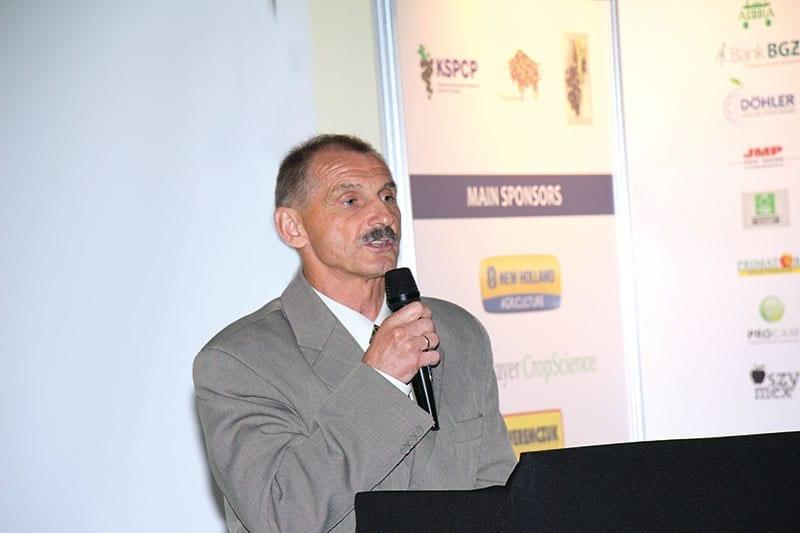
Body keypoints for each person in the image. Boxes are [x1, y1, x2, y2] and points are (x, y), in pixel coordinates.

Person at [193, 134, 517, 532]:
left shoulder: (457, 331)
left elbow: (497, 492)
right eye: (351, 201)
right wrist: (380, 380)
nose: (382, 216)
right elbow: (282, 515)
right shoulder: (239, 362)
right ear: (293, 227)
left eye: (387, 197)